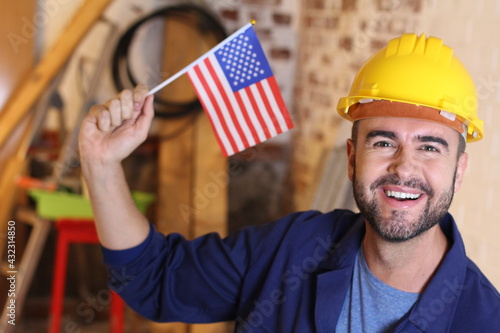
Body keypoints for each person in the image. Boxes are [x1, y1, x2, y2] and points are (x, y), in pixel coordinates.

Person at [79, 33, 500, 332]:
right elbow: (155, 277)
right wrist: (100, 164)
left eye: (430, 147)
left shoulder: (483, 319)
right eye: (384, 141)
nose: (404, 167)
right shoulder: (292, 248)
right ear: (352, 160)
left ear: (459, 171)